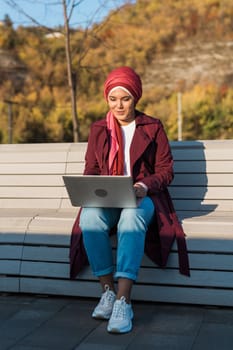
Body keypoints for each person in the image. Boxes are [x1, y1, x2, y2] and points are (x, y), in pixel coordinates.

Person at [69, 66, 190, 334]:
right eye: (113, 99)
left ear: (135, 97)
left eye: (125, 98)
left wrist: (144, 185)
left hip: (143, 198)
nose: (119, 105)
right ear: (107, 100)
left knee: (131, 217)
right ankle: (107, 292)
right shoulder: (98, 129)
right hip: (108, 198)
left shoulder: (152, 127)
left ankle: (124, 301)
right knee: (89, 217)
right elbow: (91, 170)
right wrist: (92, 187)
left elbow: (166, 170)